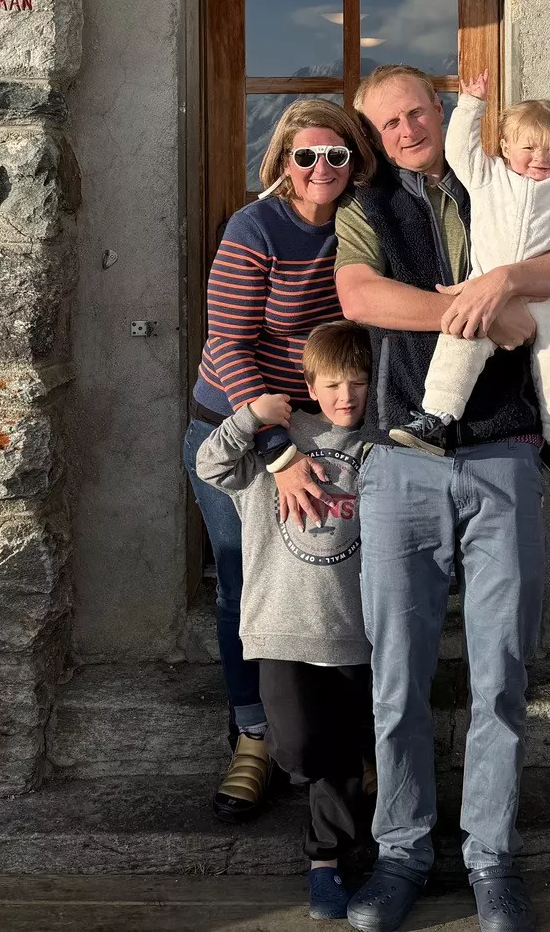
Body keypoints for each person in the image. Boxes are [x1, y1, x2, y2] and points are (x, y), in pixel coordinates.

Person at [334, 66, 550, 932]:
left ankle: (492, 858)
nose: (408, 128)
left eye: (418, 110)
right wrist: (481, 310)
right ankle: (402, 854)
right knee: (397, 676)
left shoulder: (505, 173)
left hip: (502, 453)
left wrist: (508, 282)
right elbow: (360, 297)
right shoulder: (366, 206)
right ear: (375, 135)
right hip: (398, 463)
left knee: (499, 673)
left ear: (442, 111)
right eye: (389, 122)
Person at [187, 99, 375, 824]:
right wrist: (278, 453)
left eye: (336, 155)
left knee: (340, 579)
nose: (321, 168)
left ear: (355, 161)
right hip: (242, 429)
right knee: (246, 583)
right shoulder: (255, 226)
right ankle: (254, 737)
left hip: (331, 427)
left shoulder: (362, 224)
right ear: (283, 164)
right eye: (306, 156)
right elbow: (230, 344)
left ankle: (347, 738)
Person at [194, 320, 378, 922]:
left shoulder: (379, 446)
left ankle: (325, 861)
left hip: (353, 632)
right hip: (281, 627)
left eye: (358, 382)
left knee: (344, 756)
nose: (345, 396)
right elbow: (210, 466)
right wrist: (250, 416)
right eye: (331, 383)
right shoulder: (280, 442)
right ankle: (305, 768)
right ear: (308, 384)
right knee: (300, 749)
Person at [388, 74, 550, 498]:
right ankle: (434, 419)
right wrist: (471, 104)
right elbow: (459, 149)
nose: (540, 158)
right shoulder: (487, 176)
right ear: (505, 147)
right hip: (483, 288)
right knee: (460, 340)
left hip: (545, 297)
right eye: (528, 148)